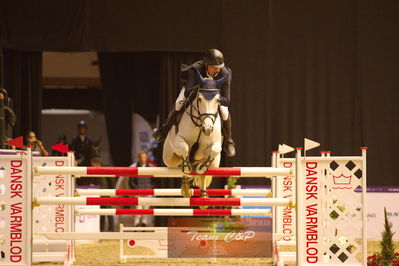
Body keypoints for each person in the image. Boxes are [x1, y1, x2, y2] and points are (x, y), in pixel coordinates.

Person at [154, 48, 236, 157]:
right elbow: (188, 92)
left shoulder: (225, 74)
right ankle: (164, 129)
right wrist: (203, 89)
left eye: (218, 67)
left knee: (224, 112)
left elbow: (226, 99)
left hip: (214, 95)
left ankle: (228, 141)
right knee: (179, 103)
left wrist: (214, 97)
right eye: (213, 67)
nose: (217, 70)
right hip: (195, 90)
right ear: (206, 64)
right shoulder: (196, 69)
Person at [129, 152, 154, 226]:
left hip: (148, 192)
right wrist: (137, 190)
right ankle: (136, 224)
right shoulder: (135, 168)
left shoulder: (150, 168)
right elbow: (131, 182)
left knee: (146, 209)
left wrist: (150, 189)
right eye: (142, 157)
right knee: (138, 209)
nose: (143, 158)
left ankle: (144, 224)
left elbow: (154, 181)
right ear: (139, 158)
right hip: (138, 192)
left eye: (144, 157)